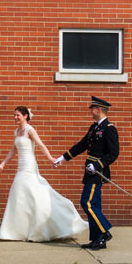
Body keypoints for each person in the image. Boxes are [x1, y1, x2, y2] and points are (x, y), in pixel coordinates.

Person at [0, 106, 88, 242]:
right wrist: (2, 164)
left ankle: (52, 223)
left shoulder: (29, 130)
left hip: (29, 166)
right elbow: (13, 151)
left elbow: (41, 145)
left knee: (32, 194)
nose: (15, 117)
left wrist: (51, 158)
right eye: (14, 115)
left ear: (25, 116)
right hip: (21, 167)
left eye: (18, 115)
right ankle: (19, 231)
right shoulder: (17, 131)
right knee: (20, 195)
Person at [53, 96, 119, 250]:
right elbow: (82, 145)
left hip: (98, 172)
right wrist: (63, 158)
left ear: (99, 109)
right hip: (90, 171)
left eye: (92, 108)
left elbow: (114, 153)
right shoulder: (94, 127)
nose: (90, 111)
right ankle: (98, 240)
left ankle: (104, 231)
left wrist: (97, 165)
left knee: (87, 203)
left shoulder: (109, 128)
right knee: (94, 204)